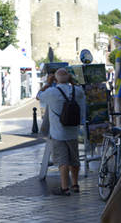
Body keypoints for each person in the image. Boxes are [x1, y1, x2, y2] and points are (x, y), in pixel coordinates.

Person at [36, 68, 86, 196]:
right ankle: (75, 184)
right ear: (69, 78)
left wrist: (48, 83)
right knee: (74, 159)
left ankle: (64, 188)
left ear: (56, 79)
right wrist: (72, 82)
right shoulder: (78, 91)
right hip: (73, 131)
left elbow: (38, 96)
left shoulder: (52, 92)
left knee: (62, 161)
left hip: (58, 132)